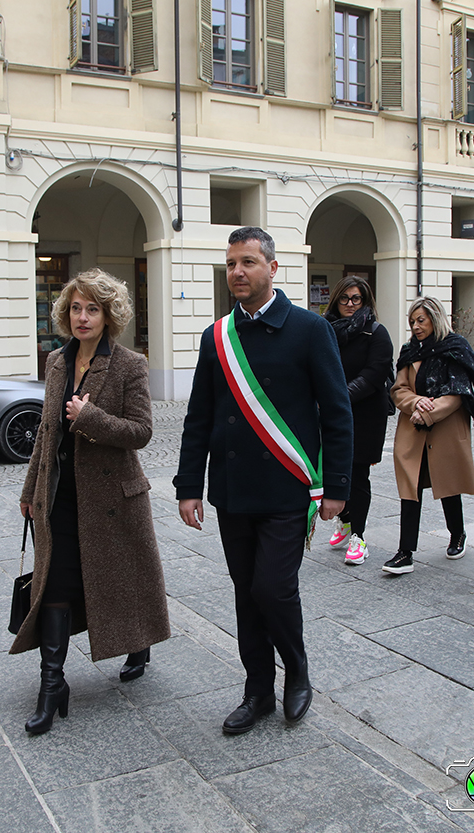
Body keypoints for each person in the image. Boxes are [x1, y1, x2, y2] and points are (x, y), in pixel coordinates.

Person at [175, 227, 353, 735]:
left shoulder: (309, 329)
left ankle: (296, 670)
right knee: (245, 593)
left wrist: (336, 486)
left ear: (272, 268)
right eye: (232, 263)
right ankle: (257, 690)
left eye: (249, 262)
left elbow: (337, 413)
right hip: (233, 490)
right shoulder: (217, 337)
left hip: (285, 489)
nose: (238, 272)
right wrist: (189, 486)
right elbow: (199, 417)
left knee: (273, 588)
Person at [10, 268, 170, 734]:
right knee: (55, 585)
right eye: (76, 308)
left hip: (112, 497)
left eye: (92, 309)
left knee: (123, 579)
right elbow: (46, 432)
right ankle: (51, 685)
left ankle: (138, 643)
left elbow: (141, 432)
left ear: (108, 316)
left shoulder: (128, 364)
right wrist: (28, 492)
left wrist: (90, 417)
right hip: (58, 496)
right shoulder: (57, 362)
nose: (82, 317)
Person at [384, 297, 474, 575]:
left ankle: (457, 534)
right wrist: (417, 403)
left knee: (447, 485)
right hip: (413, 432)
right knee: (410, 490)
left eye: (421, 320)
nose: (415, 327)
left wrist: (427, 412)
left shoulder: (455, 347)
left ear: (435, 319)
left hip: (446, 429)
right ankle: (405, 552)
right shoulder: (409, 351)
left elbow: (458, 393)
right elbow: (398, 390)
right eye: (412, 321)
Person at [322, 277, 393, 565]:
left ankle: (359, 537)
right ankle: (346, 521)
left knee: (358, 475)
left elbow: (374, 375)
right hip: (333, 414)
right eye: (345, 299)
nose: (350, 304)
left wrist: (339, 397)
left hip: (365, 415)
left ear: (365, 301)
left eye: (357, 299)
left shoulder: (375, 332)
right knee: (335, 471)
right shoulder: (325, 331)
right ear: (336, 300)